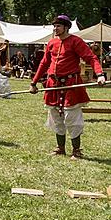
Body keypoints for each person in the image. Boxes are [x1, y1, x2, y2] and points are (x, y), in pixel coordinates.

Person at [30, 14, 105, 159]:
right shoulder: (51, 43)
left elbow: (91, 57)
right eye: (54, 26)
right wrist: (33, 82)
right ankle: (60, 148)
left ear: (66, 27)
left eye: (58, 26)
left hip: (71, 84)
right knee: (56, 117)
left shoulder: (76, 41)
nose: (55, 28)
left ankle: (76, 150)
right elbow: (44, 63)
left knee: (72, 117)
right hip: (53, 84)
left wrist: (100, 74)